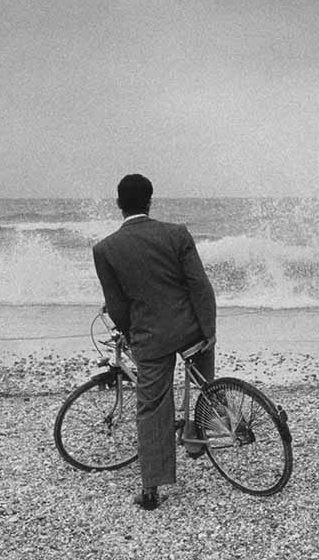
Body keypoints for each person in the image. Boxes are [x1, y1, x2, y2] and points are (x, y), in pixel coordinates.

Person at [92, 174, 217, 511]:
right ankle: (197, 437)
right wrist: (209, 329)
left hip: (150, 337)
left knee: (152, 406)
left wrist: (130, 333)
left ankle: (151, 489)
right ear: (150, 200)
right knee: (206, 382)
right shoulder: (177, 234)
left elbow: (117, 305)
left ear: (119, 204)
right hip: (190, 328)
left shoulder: (105, 249)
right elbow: (200, 287)